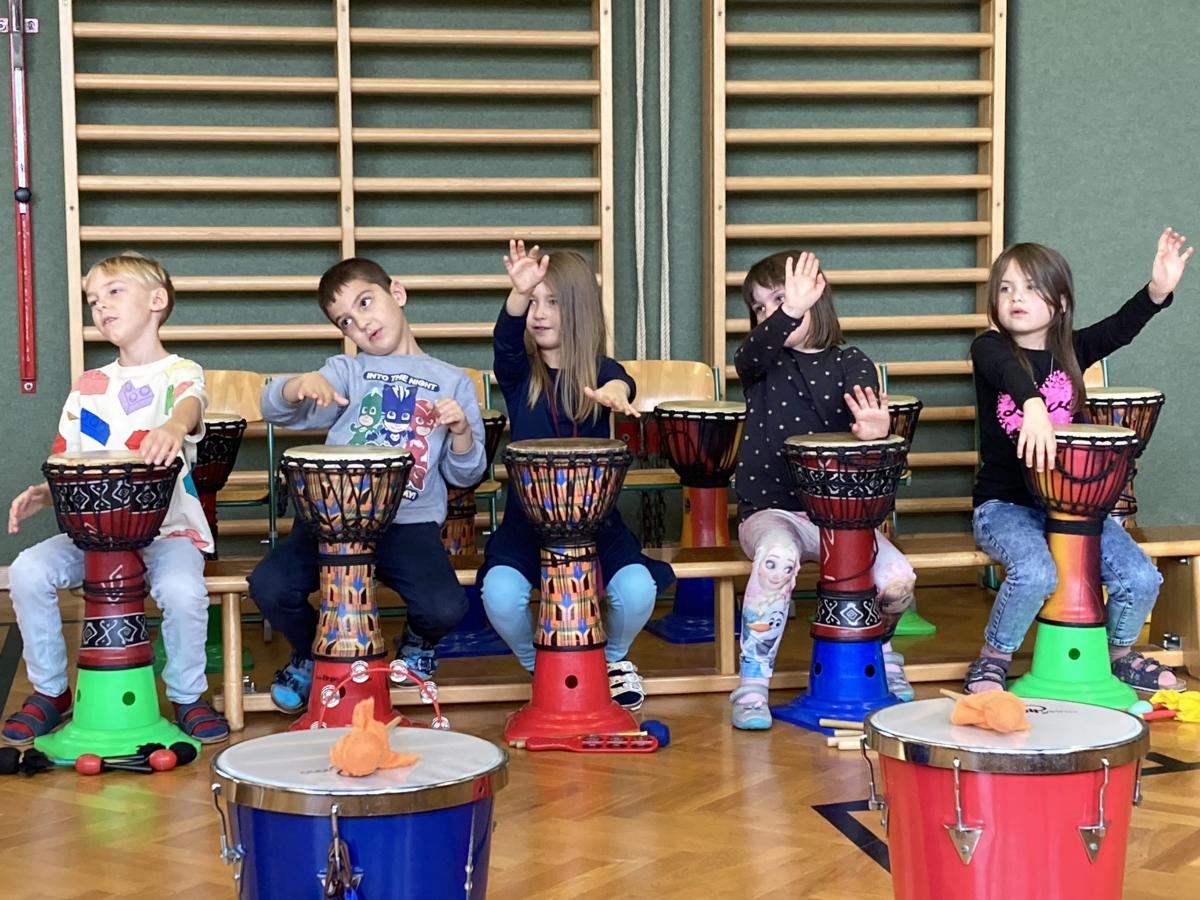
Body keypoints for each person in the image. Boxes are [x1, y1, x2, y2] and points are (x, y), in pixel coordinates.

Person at [4, 251, 228, 745]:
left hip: (168, 531)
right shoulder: (88, 386)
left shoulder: (181, 373)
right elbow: (69, 460)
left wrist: (173, 426)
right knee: (27, 570)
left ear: (157, 300)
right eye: (92, 300)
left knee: (184, 593)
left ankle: (188, 696)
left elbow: (190, 405)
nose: (100, 305)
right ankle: (50, 692)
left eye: (114, 292)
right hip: (95, 535)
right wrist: (44, 493)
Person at [249, 257, 486, 713]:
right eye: (346, 321)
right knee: (269, 585)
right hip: (331, 519)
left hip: (409, 523)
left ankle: (416, 643)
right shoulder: (346, 372)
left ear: (397, 293)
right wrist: (301, 384)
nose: (361, 323)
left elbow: (466, 474)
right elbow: (276, 408)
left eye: (365, 302)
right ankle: (313, 653)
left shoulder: (453, 382)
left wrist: (460, 432)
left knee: (444, 606)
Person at [965, 228, 1193, 694]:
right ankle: (993, 659)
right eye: (1006, 288)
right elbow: (1007, 372)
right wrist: (1032, 404)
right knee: (1035, 574)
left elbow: (1120, 327)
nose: (1015, 297)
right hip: (1005, 508)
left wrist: (1157, 291)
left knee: (1140, 578)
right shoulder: (988, 347)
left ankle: (1117, 655)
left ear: (1061, 302)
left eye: (1031, 287)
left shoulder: (1073, 351)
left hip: (1075, 511)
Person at [479, 241, 674, 711]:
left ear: (580, 310)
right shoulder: (519, 374)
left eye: (553, 302)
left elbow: (620, 381)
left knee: (637, 590)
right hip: (526, 525)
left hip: (596, 523)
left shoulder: (600, 371)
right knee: (500, 595)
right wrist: (517, 294)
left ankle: (611, 661)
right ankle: (542, 666)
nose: (539, 313)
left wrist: (614, 392)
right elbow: (504, 342)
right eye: (533, 303)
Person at [730, 250, 916, 730]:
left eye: (783, 298)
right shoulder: (761, 364)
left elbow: (869, 424)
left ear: (819, 296)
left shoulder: (852, 362)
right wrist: (789, 311)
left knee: (898, 579)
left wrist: (875, 430)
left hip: (841, 520)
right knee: (776, 560)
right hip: (771, 513)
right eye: (760, 307)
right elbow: (748, 353)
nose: (770, 312)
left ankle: (881, 651)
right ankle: (752, 685)